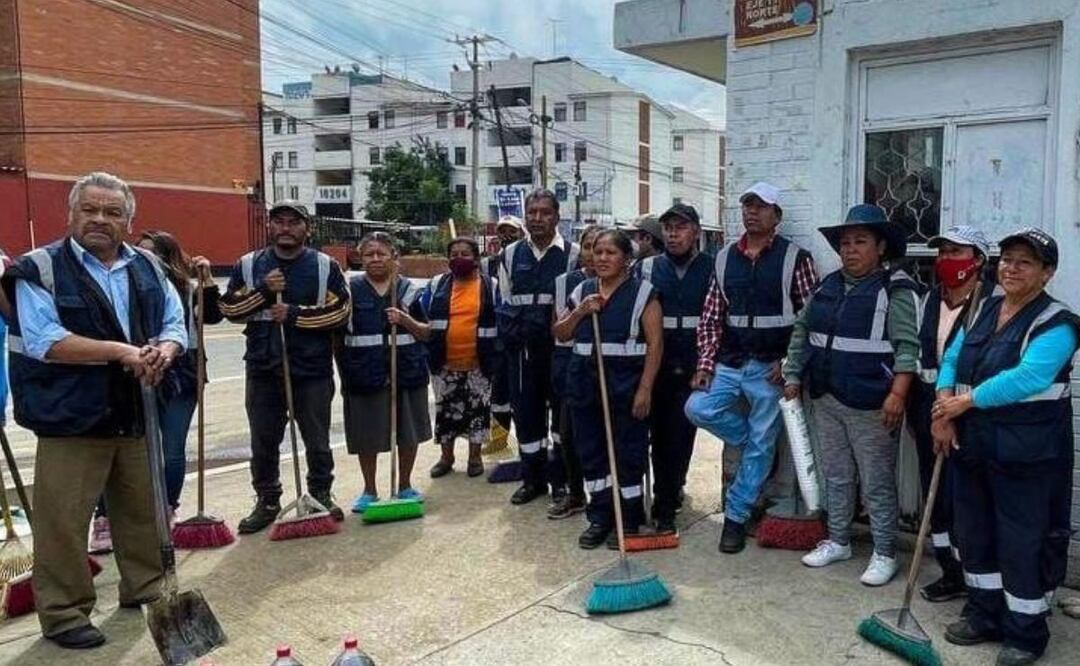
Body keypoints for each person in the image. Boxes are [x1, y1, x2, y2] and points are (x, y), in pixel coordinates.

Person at [3, 172, 187, 649]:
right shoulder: (39, 268)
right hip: (70, 417)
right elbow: (46, 341)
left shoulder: (148, 265)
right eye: (90, 210)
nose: (100, 220)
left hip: (135, 409)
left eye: (112, 212)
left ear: (129, 220)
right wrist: (125, 352)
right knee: (63, 520)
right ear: (71, 214)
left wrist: (165, 350)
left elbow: (174, 320)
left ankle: (146, 587)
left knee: (143, 510)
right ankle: (64, 612)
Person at [932, 228, 1079, 666]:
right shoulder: (986, 308)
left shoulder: (1059, 323)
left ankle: (1026, 633)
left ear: (1047, 273)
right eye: (1007, 259)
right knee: (975, 533)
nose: (1011, 268)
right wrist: (943, 407)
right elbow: (954, 357)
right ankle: (984, 614)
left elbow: (1030, 377)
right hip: (974, 445)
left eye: (1026, 262)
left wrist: (964, 402)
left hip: (1027, 453)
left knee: (1022, 541)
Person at [782, 203, 920, 586]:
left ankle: (885, 552)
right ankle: (839, 540)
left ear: (880, 248)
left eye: (860, 242)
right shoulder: (826, 286)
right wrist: (793, 373)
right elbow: (802, 332)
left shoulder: (897, 290)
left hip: (873, 405)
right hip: (826, 397)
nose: (850, 250)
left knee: (876, 481)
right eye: (845, 243)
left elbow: (908, 348)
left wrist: (897, 394)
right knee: (836, 475)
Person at [684, 183, 817, 553]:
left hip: (770, 371)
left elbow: (811, 319)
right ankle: (755, 445)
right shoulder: (725, 258)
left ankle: (737, 516)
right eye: (747, 205)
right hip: (729, 362)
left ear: (777, 216)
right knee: (697, 408)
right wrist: (706, 364)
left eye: (760, 206)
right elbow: (711, 317)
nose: (751, 212)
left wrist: (791, 365)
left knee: (761, 443)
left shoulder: (796, 258)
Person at [88, 231, 224, 555]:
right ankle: (106, 517)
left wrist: (206, 281)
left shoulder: (187, 289)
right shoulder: (122, 285)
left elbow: (213, 316)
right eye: (141, 253)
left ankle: (166, 507)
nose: (147, 261)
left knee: (172, 446)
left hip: (181, 372)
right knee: (121, 446)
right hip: (132, 368)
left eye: (155, 255)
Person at [219, 201, 350, 533]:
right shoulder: (249, 265)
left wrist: (293, 314)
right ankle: (267, 500)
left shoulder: (324, 266)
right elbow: (230, 309)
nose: (286, 228)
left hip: (311, 368)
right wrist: (265, 291)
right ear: (270, 227)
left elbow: (341, 313)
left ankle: (320, 492)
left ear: (307, 228)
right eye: (279, 222)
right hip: (264, 367)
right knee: (263, 441)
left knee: (317, 439)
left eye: (294, 222)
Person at [555, 229, 662, 548]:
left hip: (626, 384)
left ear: (626, 259)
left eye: (610, 253)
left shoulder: (644, 293)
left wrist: (645, 389)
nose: (601, 258)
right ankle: (600, 516)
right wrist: (580, 311)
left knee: (628, 452)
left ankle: (628, 519)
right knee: (592, 453)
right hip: (585, 383)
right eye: (597, 252)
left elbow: (656, 344)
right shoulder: (583, 291)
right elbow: (560, 333)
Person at [909, 225, 992, 603]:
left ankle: (979, 579)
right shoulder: (928, 300)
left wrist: (950, 415)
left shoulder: (991, 305)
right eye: (941, 252)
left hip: (971, 416)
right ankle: (950, 571)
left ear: (978, 260)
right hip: (928, 408)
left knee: (970, 500)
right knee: (936, 495)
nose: (945, 260)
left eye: (956, 252)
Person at [495, 189, 579, 505]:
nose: (538, 218)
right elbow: (503, 301)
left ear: (557, 216)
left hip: (561, 351)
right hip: (522, 353)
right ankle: (533, 480)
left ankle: (561, 481)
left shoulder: (572, 255)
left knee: (561, 421)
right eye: (532, 212)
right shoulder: (509, 255)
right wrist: (513, 342)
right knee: (527, 417)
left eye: (545, 212)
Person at [636, 204, 714, 535]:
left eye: (680, 227)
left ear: (696, 231)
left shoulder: (713, 267)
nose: (672, 233)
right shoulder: (647, 268)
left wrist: (710, 362)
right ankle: (663, 499)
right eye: (667, 227)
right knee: (656, 435)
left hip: (695, 364)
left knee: (680, 436)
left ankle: (670, 496)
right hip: (657, 364)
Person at [342, 232, 432, 511]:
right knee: (365, 434)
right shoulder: (349, 291)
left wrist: (405, 319)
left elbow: (428, 333)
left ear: (395, 258)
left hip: (407, 370)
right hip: (363, 372)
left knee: (408, 431)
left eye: (382, 253)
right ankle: (369, 490)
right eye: (370, 254)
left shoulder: (411, 291)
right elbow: (337, 338)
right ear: (361, 258)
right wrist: (344, 372)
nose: (376, 259)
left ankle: (404, 485)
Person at [426, 237, 498, 479]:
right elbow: (422, 314)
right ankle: (447, 458)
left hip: (480, 362)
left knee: (478, 411)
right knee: (446, 412)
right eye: (453, 254)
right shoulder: (438, 284)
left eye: (465, 254)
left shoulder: (492, 285)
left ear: (476, 259)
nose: (458, 258)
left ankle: (474, 458)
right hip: (444, 362)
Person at [547, 224, 600, 519]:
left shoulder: (623, 282)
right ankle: (575, 493)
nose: (595, 254)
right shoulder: (564, 283)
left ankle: (608, 499)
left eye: (602, 247)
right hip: (570, 366)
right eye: (590, 247)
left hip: (610, 369)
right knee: (569, 433)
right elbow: (560, 328)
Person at [482, 215, 523, 454]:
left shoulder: (525, 260)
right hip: (496, 335)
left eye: (512, 231)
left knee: (523, 392)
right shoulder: (488, 264)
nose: (507, 236)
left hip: (520, 334)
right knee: (497, 392)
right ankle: (499, 438)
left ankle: (530, 440)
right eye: (503, 231)